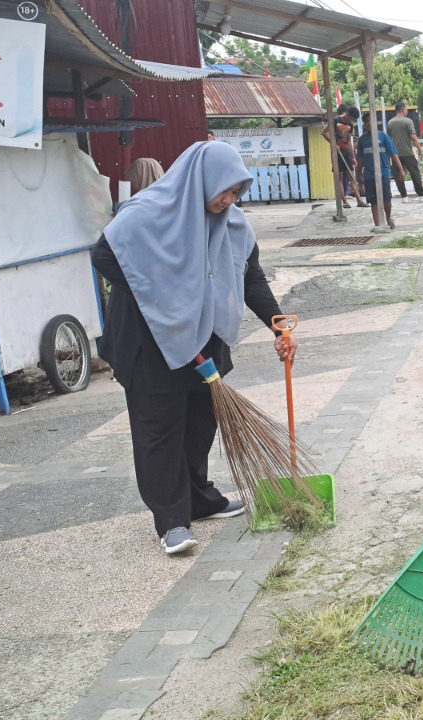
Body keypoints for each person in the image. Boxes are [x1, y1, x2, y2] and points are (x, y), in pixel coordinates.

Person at [93, 141, 295, 555]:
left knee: (202, 420)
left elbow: (249, 276)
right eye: (224, 190)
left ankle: (201, 499)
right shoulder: (145, 214)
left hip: (205, 338)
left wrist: (277, 325)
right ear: (200, 180)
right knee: (159, 429)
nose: (229, 200)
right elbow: (104, 257)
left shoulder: (234, 225)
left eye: (237, 193)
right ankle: (171, 522)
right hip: (149, 343)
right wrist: (162, 294)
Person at [356, 111, 405, 229]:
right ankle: (378, 225)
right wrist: (358, 175)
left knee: (386, 198)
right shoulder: (362, 140)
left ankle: (388, 217)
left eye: (370, 121)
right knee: (373, 201)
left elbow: (393, 154)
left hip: (384, 172)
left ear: (376, 123)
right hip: (369, 175)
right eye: (366, 122)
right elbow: (360, 160)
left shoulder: (384, 137)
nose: (368, 124)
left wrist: (401, 170)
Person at [320, 107, 365, 208]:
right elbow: (323, 133)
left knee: (351, 176)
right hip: (337, 152)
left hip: (347, 152)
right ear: (347, 115)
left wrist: (353, 156)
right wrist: (333, 143)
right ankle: (344, 201)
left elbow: (349, 141)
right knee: (339, 177)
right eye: (352, 119)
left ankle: (359, 201)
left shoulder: (350, 125)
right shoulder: (335, 120)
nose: (352, 121)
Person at [386, 102, 423, 198]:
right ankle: (421, 195)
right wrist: (419, 149)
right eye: (406, 109)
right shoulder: (408, 121)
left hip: (395, 154)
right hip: (407, 153)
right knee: (415, 173)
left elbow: (388, 139)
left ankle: (404, 196)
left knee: (398, 174)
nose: (407, 111)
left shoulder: (390, 122)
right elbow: (413, 137)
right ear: (403, 110)